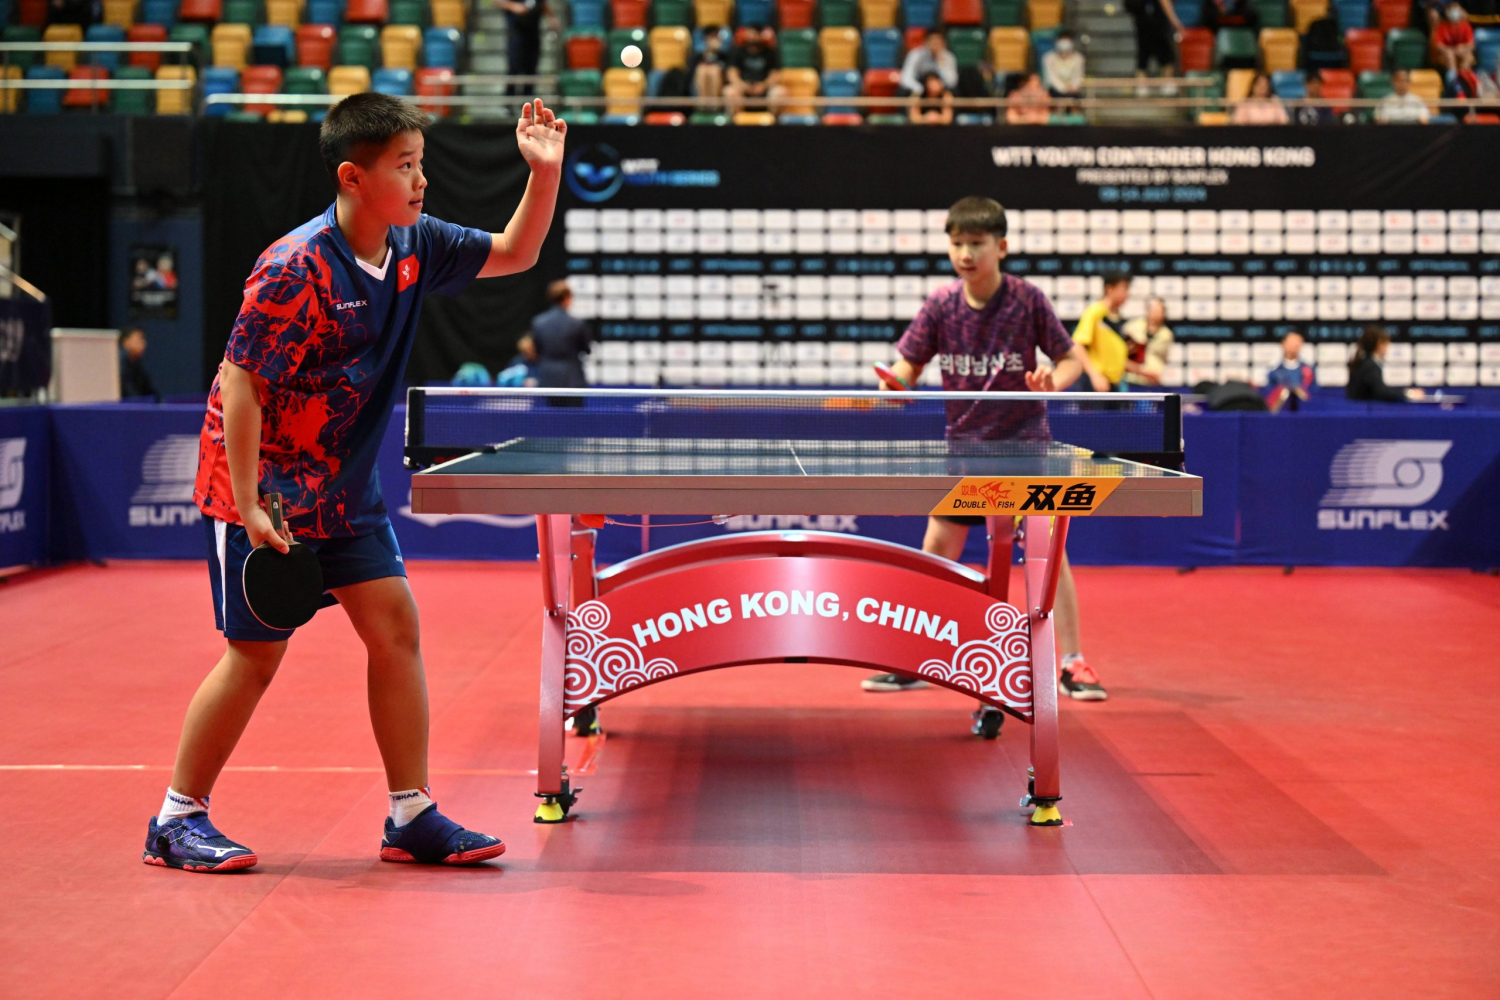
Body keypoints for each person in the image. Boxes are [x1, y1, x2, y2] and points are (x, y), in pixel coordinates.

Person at [146, 93, 566, 873]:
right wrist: (249, 502)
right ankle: (176, 818)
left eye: (420, 162)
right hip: (265, 490)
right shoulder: (294, 267)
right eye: (405, 166)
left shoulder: (414, 244)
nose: (421, 180)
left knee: (395, 628)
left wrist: (543, 174)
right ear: (353, 176)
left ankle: (410, 814)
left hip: (343, 487)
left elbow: (515, 252)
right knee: (254, 656)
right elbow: (241, 384)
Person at [860, 196, 1112, 701]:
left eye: (976, 244)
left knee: (1047, 554)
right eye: (957, 244)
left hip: (1026, 451)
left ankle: (1072, 662)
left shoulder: (1026, 300)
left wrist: (1053, 381)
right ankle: (916, 657)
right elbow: (909, 364)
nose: (965, 254)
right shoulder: (941, 305)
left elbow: (1069, 360)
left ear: (1002, 246)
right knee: (937, 551)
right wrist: (896, 383)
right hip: (965, 452)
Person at [1070, 272, 1130, 391]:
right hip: (1096, 384)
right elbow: (1077, 345)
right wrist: (1095, 375)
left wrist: (1142, 371)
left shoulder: (1118, 319)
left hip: (1113, 384)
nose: (1127, 294)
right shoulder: (1095, 312)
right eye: (1124, 289)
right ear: (1109, 289)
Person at [530, 280, 592, 390]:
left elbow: (537, 350)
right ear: (567, 298)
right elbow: (587, 350)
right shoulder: (577, 324)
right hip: (573, 380)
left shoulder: (538, 322)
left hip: (548, 380)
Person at [1346, 325, 1425, 401]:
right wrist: (1409, 394)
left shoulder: (1363, 362)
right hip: (1363, 409)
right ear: (1379, 344)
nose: (1387, 349)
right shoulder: (1370, 366)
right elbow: (1381, 392)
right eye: (1386, 345)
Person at [724, 29, 784, 114]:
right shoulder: (737, 51)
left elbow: (775, 74)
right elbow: (732, 73)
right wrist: (742, 85)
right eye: (751, 34)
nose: (754, 37)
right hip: (743, 90)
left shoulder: (771, 52)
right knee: (730, 91)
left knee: (780, 92)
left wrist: (764, 85)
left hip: (765, 90)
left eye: (757, 34)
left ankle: (773, 121)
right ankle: (735, 121)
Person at [494, 0, 546, 96]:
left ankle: (528, 97)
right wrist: (514, 6)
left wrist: (551, 17)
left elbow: (543, 4)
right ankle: (510, 97)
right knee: (514, 65)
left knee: (531, 67)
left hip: (533, 32)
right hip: (516, 31)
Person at [1120, 296, 1173, 387]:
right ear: (1148, 310)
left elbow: (1163, 359)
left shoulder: (1167, 335)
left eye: (1159, 310)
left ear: (1163, 313)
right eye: (1153, 309)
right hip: (1131, 379)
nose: (1156, 313)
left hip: (1153, 381)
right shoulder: (1132, 327)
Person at [1129, 0, 1183, 80]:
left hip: (1148, 23)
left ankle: (1143, 82)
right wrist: (1175, 22)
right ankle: (1165, 82)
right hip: (1155, 25)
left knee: (1145, 59)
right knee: (1164, 59)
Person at [1264, 330, 1315, 411]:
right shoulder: (1274, 371)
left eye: (1297, 344)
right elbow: (1269, 396)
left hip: (1304, 412)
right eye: (1291, 343)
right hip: (1281, 413)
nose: (1294, 347)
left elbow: (1314, 394)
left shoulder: (1309, 370)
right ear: (1283, 344)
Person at [899, 32, 959, 97]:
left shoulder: (948, 57)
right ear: (926, 42)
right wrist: (919, 88)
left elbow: (952, 81)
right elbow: (906, 78)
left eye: (938, 42)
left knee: (953, 92)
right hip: (920, 88)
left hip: (940, 88)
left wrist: (941, 63)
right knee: (904, 91)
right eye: (933, 42)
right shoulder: (915, 55)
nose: (935, 45)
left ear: (943, 44)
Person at [1042, 31, 1086, 106]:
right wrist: (1063, 88)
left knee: (1076, 102)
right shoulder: (1048, 58)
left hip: (1073, 90)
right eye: (1062, 41)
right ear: (1056, 42)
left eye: (1067, 41)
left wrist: (1074, 87)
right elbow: (1051, 77)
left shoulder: (1078, 58)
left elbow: (1078, 76)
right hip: (1055, 90)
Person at [1434, 2, 1476, 74]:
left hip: (1461, 51)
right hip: (1447, 52)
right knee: (1450, 55)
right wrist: (1448, 50)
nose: (1454, 13)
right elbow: (1438, 45)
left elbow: (1471, 45)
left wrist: (1462, 48)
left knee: (1469, 57)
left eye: (1456, 9)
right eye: (1451, 10)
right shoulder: (1442, 26)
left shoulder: (1466, 26)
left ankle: (1463, 76)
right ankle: (1452, 77)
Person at [691, 27, 729, 102]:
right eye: (711, 37)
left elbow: (728, 69)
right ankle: (703, 104)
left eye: (716, 37)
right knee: (702, 70)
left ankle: (714, 105)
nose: (714, 40)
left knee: (714, 71)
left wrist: (718, 52)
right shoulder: (698, 55)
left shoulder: (724, 55)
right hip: (699, 82)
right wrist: (707, 51)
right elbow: (691, 71)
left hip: (721, 81)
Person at [119, 326, 158, 400]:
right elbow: (130, 394)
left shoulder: (136, 363)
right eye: (139, 339)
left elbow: (148, 390)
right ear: (126, 341)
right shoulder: (119, 362)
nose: (144, 343)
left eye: (143, 339)